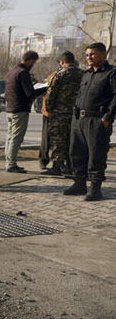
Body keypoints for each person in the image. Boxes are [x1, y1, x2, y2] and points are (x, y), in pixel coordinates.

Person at [64, 43, 116, 201]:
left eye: (92, 54)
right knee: (77, 153)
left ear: (102, 54)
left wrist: (107, 118)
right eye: (87, 55)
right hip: (79, 119)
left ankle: (95, 189)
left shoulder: (111, 73)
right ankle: (79, 183)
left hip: (97, 121)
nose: (88, 58)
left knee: (96, 155)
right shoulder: (86, 74)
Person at [41, 52, 83, 176]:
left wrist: (49, 108)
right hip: (76, 113)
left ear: (62, 62)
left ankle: (57, 166)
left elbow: (51, 93)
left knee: (58, 140)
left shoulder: (59, 74)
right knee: (72, 139)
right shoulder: (82, 74)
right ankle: (69, 166)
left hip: (60, 113)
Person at [4, 50, 45, 173]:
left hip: (10, 109)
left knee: (10, 137)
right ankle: (11, 164)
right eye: (34, 62)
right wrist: (45, 89)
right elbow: (30, 93)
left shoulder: (11, 72)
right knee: (16, 138)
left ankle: (9, 161)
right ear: (31, 61)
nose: (33, 65)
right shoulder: (23, 73)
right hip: (20, 109)